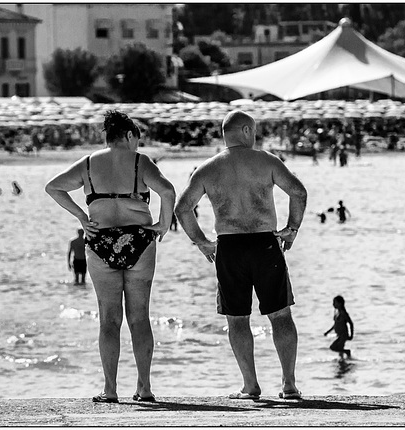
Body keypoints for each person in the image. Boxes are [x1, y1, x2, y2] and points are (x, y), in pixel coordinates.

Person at [174, 110, 307, 400]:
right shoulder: (267, 161)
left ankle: (250, 385)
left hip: (229, 247)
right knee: (281, 315)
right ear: (246, 131)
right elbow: (298, 191)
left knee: (237, 319)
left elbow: (182, 209)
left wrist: (201, 242)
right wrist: (292, 228)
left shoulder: (207, 169)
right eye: (254, 131)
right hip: (265, 245)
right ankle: (289, 385)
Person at [45, 110, 176, 403]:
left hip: (100, 241)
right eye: (136, 141)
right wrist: (164, 224)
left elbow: (53, 187)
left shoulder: (89, 163)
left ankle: (110, 389)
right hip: (139, 241)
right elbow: (168, 191)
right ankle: (144, 388)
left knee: (108, 319)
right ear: (129, 136)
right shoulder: (141, 162)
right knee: (140, 317)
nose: (137, 147)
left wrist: (81, 216)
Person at [323, 295, 354, 359]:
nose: (333, 304)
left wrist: (351, 335)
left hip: (343, 335)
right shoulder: (337, 313)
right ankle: (344, 362)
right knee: (340, 352)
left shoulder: (343, 313)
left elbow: (351, 323)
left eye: (335, 302)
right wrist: (327, 332)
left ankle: (347, 352)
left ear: (340, 304)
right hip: (339, 335)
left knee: (333, 347)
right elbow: (335, 325)